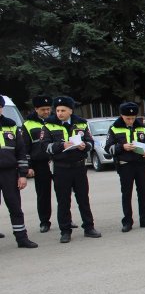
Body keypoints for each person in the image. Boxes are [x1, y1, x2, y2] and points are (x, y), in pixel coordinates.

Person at [41, 96, 102, 243]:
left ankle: (89, 227)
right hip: (61, 168)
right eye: (57, 110)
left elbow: (91, 142)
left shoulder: (81, 123)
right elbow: (44, 146)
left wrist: (84, 146)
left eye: (63, 110)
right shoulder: (49, 125)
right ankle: (65, 230)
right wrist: (62, 146)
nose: (60, 113)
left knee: (83, 198)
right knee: (63, 201)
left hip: (79, 167)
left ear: (70, 110)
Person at [105, 102, 145, 232]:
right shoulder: (114, 128)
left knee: (142, 193)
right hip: (125, 165)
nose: (131, 120)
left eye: (133, 118)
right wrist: (122, 147)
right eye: (128, 118)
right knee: (127, 194)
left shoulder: (141, 127)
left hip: (140, 164)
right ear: (122, 116)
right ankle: (127, 221)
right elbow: (108, 148)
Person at [0, 95, 37, 248]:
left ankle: (22, 238)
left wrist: (22, 174)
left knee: (15, 206)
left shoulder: (12, 125)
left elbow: (21, 152)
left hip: (9, 173)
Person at [21, 95, 62, 233]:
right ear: (36, 109)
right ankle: (44, 221)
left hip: (57, 161)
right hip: (40, 164)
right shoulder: (28, 125)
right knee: (43, 194)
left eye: (48, 109)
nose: (46, 112)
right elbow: (24, 147)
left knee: (63, 192)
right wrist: (29, 166)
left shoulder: (57, 121)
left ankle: (66, 219)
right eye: (43, 109)